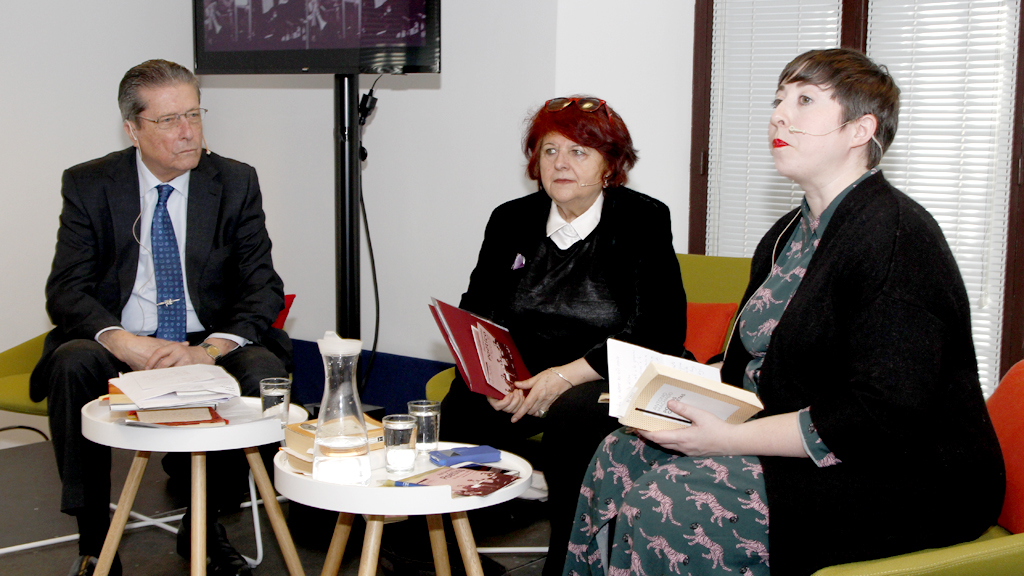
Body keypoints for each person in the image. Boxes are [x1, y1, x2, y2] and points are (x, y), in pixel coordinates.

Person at [564, 48, 1005, 576]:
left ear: (860, 130)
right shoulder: (787, 234)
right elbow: (750, 365)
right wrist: (666, 391)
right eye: (778, 99)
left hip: (905, 474)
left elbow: (877, 416)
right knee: (618, 455)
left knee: (673, 501)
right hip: (798, 439)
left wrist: (726, 440)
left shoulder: (896, 236)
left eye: (805, 100)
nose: (779, 114)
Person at [30, 59, 291, 576]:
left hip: (203, 335)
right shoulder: (90, 184)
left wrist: (208, 350)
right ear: (133, 128)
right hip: (121, 337)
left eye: (194, 114)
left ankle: (205, 527)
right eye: (169, 120)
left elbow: (263, 287)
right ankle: (94, 541)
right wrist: (124, 342)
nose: (188, 131)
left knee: (263, 372)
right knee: (72, 361)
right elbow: (65, 290)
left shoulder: (235, 181)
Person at [439, 96, 688, 576]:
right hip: (526, 373)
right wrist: (496, 379)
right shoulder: (511, 218)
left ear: (610, 165)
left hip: (611, 371)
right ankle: (449, 553)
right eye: (549, 150)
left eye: (579, 151)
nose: (561, 163)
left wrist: (564, 377)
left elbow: (660, 329)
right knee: (462, 405)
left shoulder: (642, 219)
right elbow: (477, 311)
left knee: (575, 417)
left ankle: (568, 562)